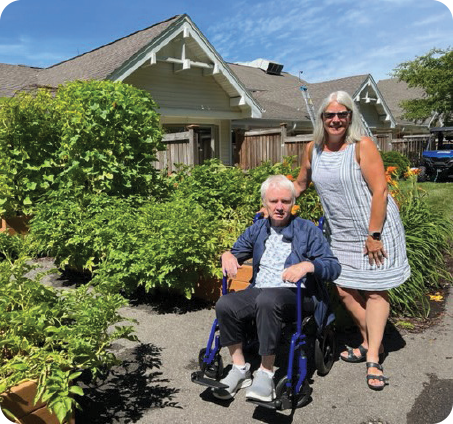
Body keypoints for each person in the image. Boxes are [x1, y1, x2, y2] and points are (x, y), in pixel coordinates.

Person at [294, 91, 410, 391]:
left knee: (374, 291)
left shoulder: (362, 146)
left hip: (375, 230)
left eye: (342, 114)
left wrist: (374, 235)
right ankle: (375, 341)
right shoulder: (312, 150)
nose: (336, 120)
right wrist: (276, 202)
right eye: (330, 114)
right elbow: (301, 183)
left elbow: (380, 191)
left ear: (350, 117)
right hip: (341, 234)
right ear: (322, 118)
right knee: (344, 290)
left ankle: (372, 355)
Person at [213, 175, 341, 402]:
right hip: (261, 290)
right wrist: (227, 254)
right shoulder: (258, 229)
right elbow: (237, 250)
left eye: (285, 201)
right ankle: (240, 368)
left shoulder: (307, 230)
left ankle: (265, 372)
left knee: (268, 300)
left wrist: (307, 265)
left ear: (293, 203)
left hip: (299, 295)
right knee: (226, 304)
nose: (279, 207)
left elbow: (333, 267)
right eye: (273, 201)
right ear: (265, 203)